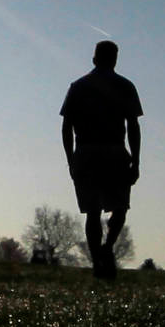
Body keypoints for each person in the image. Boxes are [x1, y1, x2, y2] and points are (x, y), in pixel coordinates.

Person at [61, 41, 143, 279]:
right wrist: (136, 160)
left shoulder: (78, 86)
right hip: (114, 151)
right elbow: (134, 126)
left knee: (93, 211)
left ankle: (100, 257)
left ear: (94, 59)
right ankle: (105, 250)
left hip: (88, 152)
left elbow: (66, 127)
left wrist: (71, 159)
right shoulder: (125, 86)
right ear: (115, 59)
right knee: (119, 207)